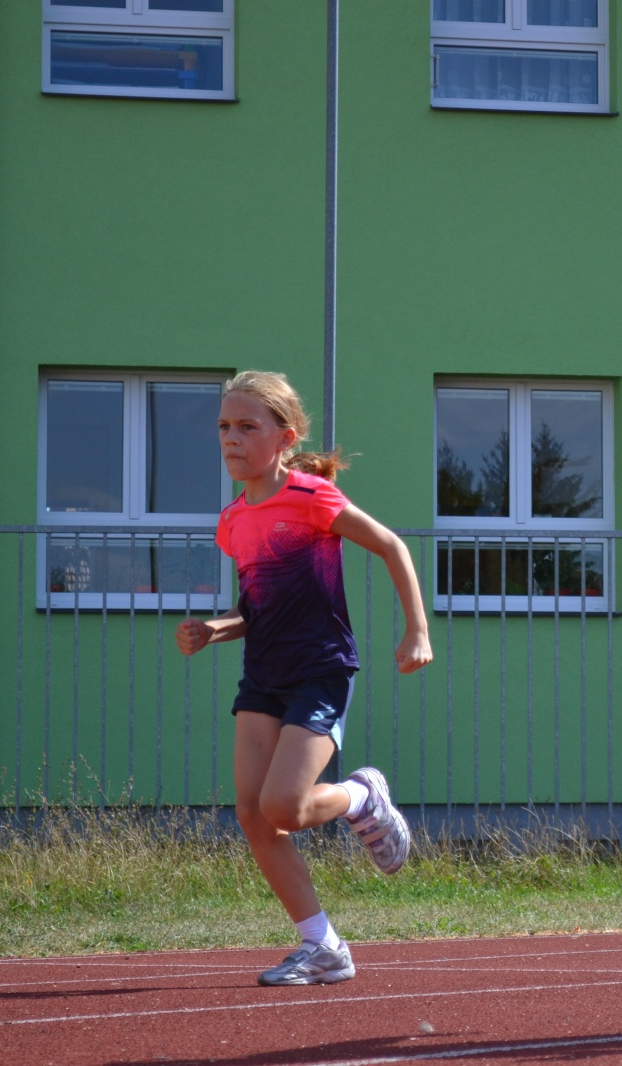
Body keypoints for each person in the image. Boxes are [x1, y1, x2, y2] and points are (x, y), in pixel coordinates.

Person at [175, 370, 432, 987]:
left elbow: (392, 546)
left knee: (284, 805)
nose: (231, 438)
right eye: (224, 426)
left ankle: (362, 797)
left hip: (320, 670)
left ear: (285, 437)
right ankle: (323, 946)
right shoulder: (232, 521)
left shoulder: (313, 497)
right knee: (253, 814)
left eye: (247, 426)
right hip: (264, 676)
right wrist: (215, 629)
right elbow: (257, 611)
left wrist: (417, 631)